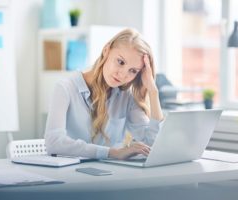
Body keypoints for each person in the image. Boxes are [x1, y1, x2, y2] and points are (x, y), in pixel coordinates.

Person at [45, 28, 164, 160]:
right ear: (106, 50)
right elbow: (53, 143)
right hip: (71, 175)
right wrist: (112, 153)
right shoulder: (65, 88)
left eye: (133, 71)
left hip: (110, 175)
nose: (123, 74)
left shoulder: (127, 97)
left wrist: (153, 92)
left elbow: (152, 145)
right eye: (120, 62)